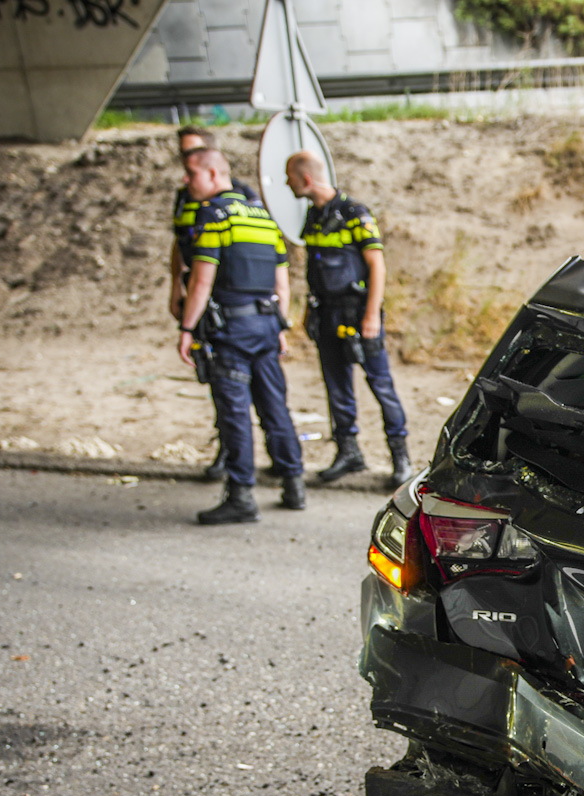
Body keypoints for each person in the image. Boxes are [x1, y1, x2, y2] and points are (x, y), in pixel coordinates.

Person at [176, 148, 306, 524]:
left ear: (215, 175)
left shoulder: (213, 216)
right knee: (274, 406)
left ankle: (242, 496)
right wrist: (280, 326)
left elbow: (202, 279)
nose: (186, 183)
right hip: (266, 326)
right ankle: (293, 484)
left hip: (231, 331)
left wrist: (187, 329)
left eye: (191, 174)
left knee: (235, 413)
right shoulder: (265, 216)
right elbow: (282, 283)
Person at [283, 150, 413, 485]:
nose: (286, 183)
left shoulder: (354, 212)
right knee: (336, 386)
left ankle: (401, 458)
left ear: (306, 178)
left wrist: (371, 316)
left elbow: (377, 266)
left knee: (380, 384)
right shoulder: (312, 216)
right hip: (326, 313)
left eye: (290, 177)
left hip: (358, 312)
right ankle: (349, 452)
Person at [168, 126, 263, 482]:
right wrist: (175, 285)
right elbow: (180, 244)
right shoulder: (184, 197)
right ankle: (227, 449)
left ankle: (243, 468)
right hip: (200, 296)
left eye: (192, 155)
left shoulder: (237, 197)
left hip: (230, 303)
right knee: (217, 381)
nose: (185, 166)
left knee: (240, 388)